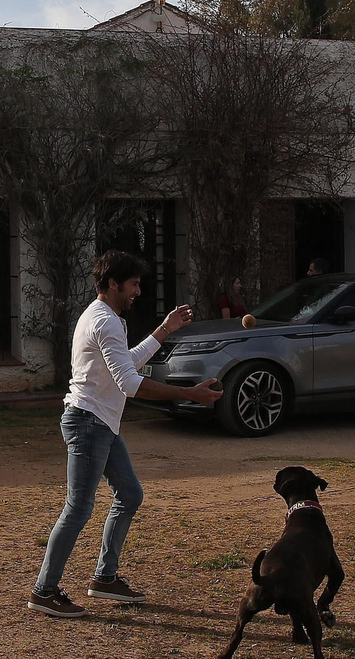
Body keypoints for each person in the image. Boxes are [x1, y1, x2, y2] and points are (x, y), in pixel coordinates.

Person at [28, 250, 224, 619]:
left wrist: (164, 330)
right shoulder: (105, 321)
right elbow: (130, 384)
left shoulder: (105, 317)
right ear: (113, 284)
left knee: (130, 495)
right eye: (133, 284)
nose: (138, 291)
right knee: (78, 508)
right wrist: (189, 394)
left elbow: (126, 363)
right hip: (89, 424)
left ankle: (104, 578)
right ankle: (44, 590)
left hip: (100, 424)